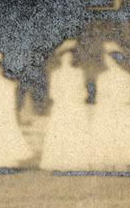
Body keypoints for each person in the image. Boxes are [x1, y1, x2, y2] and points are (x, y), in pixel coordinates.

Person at [88, 42, 130, 172]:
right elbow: (100, 97)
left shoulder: (124, 76)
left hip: (118, 110)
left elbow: (128, 97)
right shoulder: (104, 77)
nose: (106, 60)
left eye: (108, 57)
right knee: (109, 135)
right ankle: (109, 162)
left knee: (121, 135)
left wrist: (114, 102)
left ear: (112, 59)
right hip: (108, 109)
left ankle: (125, 163)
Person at [39, 41, 91, 172]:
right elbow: (53, 93)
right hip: (62, 107)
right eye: (65, 56)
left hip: (75, 107)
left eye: (70, 56)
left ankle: (76, 163)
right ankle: (59, 162)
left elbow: (83, 91)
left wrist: (78, 99)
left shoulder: (78, 73)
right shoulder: (56, 74)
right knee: (61, 133)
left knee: (75, 134)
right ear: (61, 58)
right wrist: (64, 100)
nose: (68, 58)